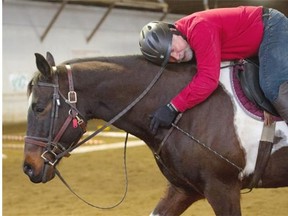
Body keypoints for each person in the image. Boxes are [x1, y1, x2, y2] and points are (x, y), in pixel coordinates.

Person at [139, 6, 288, 134]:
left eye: (172, 49)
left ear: (173, 30)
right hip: (257, 42)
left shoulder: (199, 28)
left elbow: (208, 80)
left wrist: (172, 107)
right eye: (169, 58)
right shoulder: (186, 40)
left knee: (272, 87)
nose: (176, 57)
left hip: (271, 26)